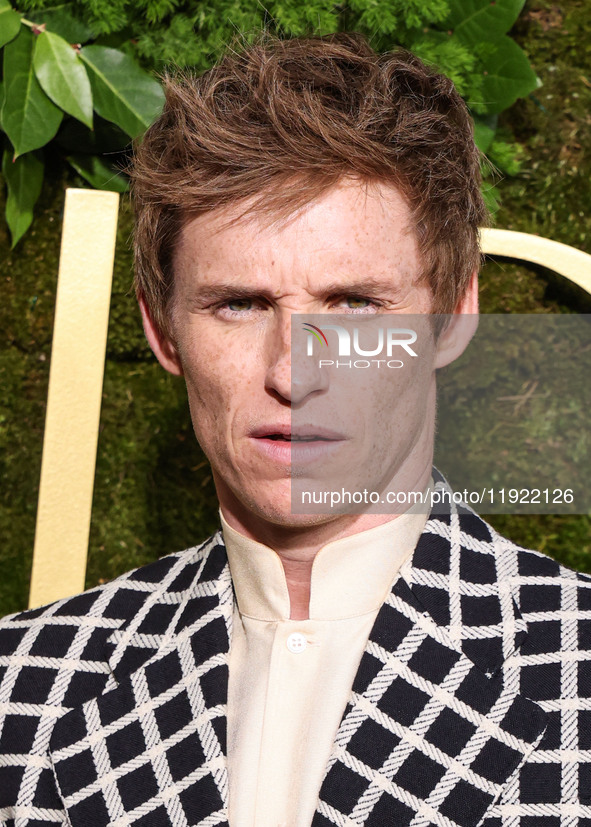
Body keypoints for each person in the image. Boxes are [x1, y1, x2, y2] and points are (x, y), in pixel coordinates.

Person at [0, 32, 589, 827]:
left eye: (351, 304)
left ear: (452, 317)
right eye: (238, 304)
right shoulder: (22, 681)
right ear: (162, 331)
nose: (294, 371)